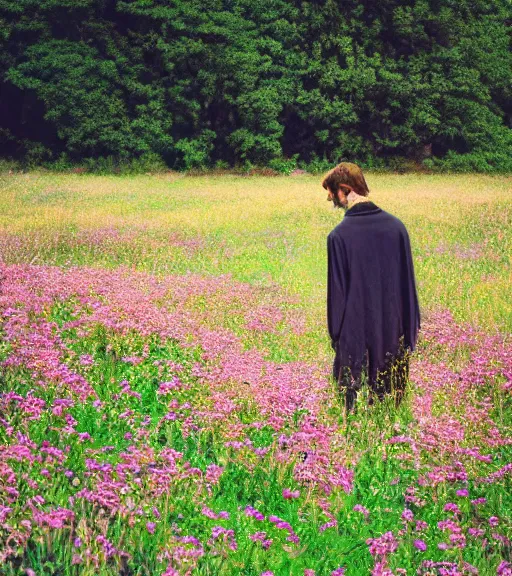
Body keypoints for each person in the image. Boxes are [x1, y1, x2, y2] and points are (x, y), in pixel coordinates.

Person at [322, 162, 420, 411]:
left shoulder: (339, 236)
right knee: (389, 409)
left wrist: (337, 340)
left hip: (355, 335)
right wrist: (409, 334)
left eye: (331, 191)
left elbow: (337, 299)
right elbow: (408, 287)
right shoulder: (397, 228)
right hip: (392, 330)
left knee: (352, 414)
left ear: (344, 189)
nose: (329, 198)